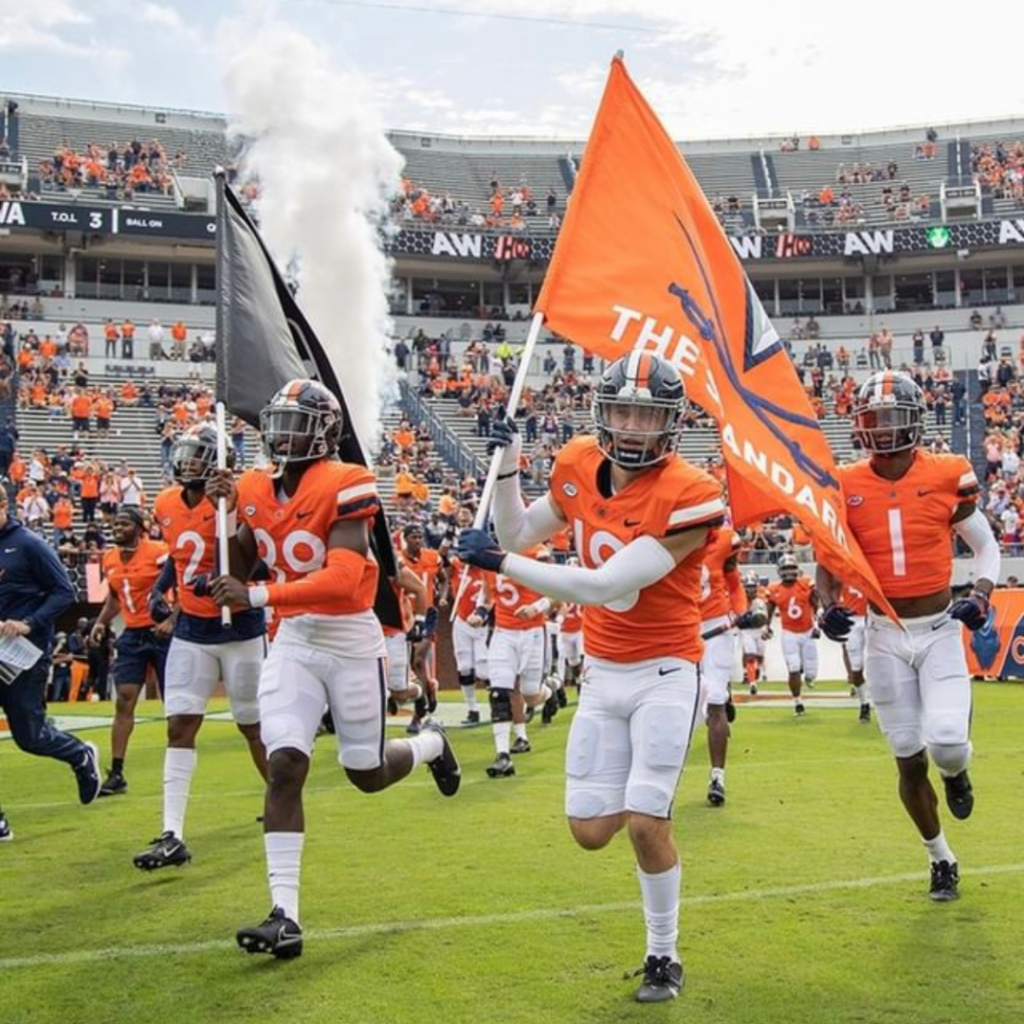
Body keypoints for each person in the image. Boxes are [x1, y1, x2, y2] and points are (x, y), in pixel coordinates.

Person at [457, 351, 724, 1001]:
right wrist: (510, 468)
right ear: (603, 412)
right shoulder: (578, 462)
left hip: (665, 668)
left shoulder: (691, 492)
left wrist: (498, 564)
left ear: (672, 423)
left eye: (647, 414)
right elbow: (518, 532)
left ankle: (664, 955)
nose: (632, 426)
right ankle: (647, 825)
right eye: (624, 410)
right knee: (588, 830)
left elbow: (604, 585)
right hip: (602, 673)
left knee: (644, 821)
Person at [205, 378, 460, 960]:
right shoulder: (252, 485)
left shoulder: (348, 481)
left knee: (365, 773)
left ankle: (428, 744)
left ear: (324, 433)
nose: (282, 434)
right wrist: (224, 514)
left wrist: (259, 597)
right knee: (285, 765)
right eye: (279, 422)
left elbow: (345, 581)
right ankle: (285, 915)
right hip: (294, 640)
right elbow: (243, 559)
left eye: (296, 423)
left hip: (348, 638)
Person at [816, 370, 997, 902]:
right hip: (881, 633)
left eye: (896, 418)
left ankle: (957, 772)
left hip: (939, 628)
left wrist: (982, 594)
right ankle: (940, 857)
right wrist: (828, 606)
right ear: (860, 425)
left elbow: (984, 546)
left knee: (944, 744)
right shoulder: (843, 482)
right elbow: (826, 559)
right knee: (907, 755)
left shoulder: (947, 473)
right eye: (876, 418)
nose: (886, 429)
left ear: (916, 421)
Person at [132, 424, 270, 871]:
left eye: (198, 456)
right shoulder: (166, 501)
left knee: (252, 726)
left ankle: (281, 798)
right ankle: (172, 833)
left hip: (240, 628)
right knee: (179, 727)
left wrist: (221, 577)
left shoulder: (238, 497)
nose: (188, 463)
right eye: (186, 454)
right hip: (192, 629)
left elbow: (262, 560)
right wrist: (161, 588)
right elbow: (178, 557)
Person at [0, 488, 102, 841]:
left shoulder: (28, 544)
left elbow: (63, 591)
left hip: (22, 655)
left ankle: (79, 753)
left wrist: (28, 621)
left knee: (30, 736)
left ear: (3, 506)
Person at [91, 507, 172, 795]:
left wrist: (173, 619)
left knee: (172, 703)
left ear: (140, 528)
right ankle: (117, 772)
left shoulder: (159, 551)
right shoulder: (109, 557)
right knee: (124, 701)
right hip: (133, 634)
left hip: (162, 633)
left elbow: (182, 586)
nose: (117, 528)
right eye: (115, 524)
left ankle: (178, 765)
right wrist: (101, 623)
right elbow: (115, 598)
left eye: (124, 523)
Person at [698, 525, 764, 807]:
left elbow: (733, 581)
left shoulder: (724, 540)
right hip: (678, 626)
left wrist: (741, 613)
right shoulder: (662, 534)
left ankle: (717, 777)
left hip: (716, 625)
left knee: (712, 701)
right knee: (686, 702)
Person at [484, 544, 557, 778]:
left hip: (533, 632)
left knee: (530, 695)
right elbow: (487, 598)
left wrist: (536, 607)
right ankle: (503, 755)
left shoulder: (537, 552)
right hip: (503, 632)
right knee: (500, 693)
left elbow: (559, 590)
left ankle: (551, 691)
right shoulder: (489, 556)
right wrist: (480, 613)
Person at [763, 553, 820, 715]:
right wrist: (766, 626)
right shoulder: (774, 589)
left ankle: (808, 677)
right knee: (793, 667)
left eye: (791, 567)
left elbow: (816, 601)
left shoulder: (805, 583)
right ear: (780, 570)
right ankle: (798, 702)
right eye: (786, 568)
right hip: (789, 633)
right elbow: (770, 608)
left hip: (808, 631)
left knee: (811, 673)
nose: (789, 571)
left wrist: (818, 619)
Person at [839, 582, 871, 723]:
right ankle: (864, 703)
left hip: (872, 618)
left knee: (881, 660)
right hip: (851, 620)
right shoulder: (841, 575)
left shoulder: (872, 570)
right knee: (856, 667)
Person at [738, 572, 768, 693]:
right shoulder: (739, 601)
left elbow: (765, 618)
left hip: (759, 631)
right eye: (748, 587)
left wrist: (766, 628)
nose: (750, 590)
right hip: (746, 631)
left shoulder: (760, 601)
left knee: (759, 657)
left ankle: (757, 670)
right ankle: (752, 682)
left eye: (752, 587)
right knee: (750, 656)